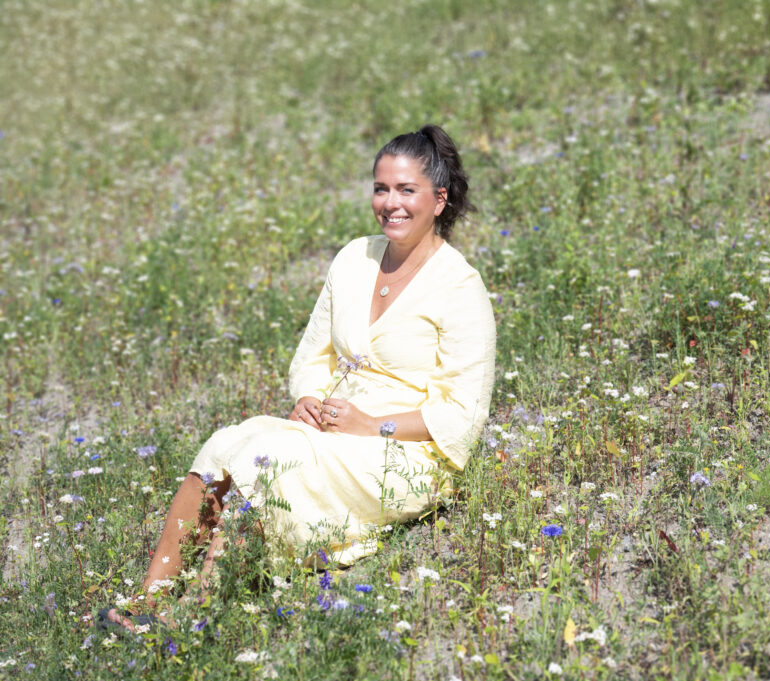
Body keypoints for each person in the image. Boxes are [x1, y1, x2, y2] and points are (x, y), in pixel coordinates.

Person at [99, 124, 496, 630]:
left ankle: (191, 617)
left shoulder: (459, 287)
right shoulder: (355, 258)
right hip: (333, 427)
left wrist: (374, 425)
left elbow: (463, 414)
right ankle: (149, 599)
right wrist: (309, 396)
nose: (390, 203)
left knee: (271, 462)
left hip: (407, 451)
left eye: (406, 190)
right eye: (381, 188)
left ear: (438, 200)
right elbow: (313, 355)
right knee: (226, 444)